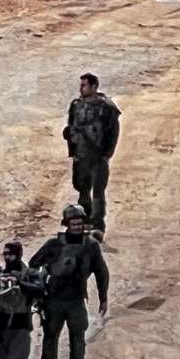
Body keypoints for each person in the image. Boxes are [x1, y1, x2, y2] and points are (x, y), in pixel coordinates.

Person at [29, 205, 109, 359]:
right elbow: (33, 264)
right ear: (66, 224)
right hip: (54, 298)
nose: (76, 226)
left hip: (76, 299)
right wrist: (39, 285)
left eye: (79, 223)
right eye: (73, 223)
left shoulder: (91, 245)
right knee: (50, 337)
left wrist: (103, 297)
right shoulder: (53, 244)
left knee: (78, 341)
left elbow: (101, 271)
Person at [63, 73, 121, 237]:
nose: (81, 88)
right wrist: (72, 149)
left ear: (94, 87)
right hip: (81, 155)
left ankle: (97, 226)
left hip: (98, 156)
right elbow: (71, 126)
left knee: (98, 193)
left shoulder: (106, 107)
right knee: (82, 190)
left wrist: (107, 153)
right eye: (81, 85)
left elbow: (113, 132)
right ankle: (84, 222)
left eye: (85, 85)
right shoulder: (76, 105)